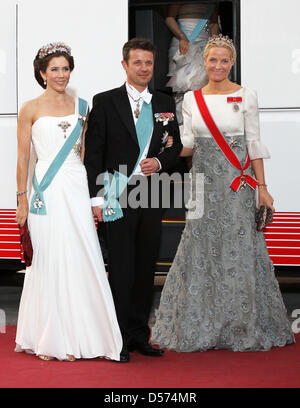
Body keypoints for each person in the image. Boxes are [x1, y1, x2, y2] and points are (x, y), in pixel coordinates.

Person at [151, 35, 295, 352]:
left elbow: (254, 145)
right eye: (213, 59)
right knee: (201, 250)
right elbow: (187, 146)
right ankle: (203, 324)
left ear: (232, 63)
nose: (218, 65)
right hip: (204, 186)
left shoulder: (246, 96)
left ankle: (243, 324)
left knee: (241, 249)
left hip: (238, 186)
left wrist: (263, 188)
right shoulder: (191, 100)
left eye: (224, 60)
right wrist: (155, 151)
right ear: (205, 61)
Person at [15, 42, 122, 362]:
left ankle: (88, 335)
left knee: (83, 255)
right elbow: (23, 158)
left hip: (75, 186)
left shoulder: (83, 105)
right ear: (42, 73)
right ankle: (49, 337)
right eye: (54, 69)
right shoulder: (30, 108)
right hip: (45, 191)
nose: (61, 74)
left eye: (66, 68)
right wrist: (21, 198)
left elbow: (86, 154)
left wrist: (92, 196)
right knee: (48, 258)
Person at [84, 38, 182, 362]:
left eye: (149, 63)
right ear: (125, 65)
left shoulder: (165, 101)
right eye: (137, 62)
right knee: (122, 270)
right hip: (116, 196)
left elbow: (174, 147)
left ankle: (141, 336)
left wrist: (161, 162)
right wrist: (96, 201)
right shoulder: (106, 101)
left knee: (145, 269)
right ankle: (119, 339)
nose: (144, 68)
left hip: (151, 195)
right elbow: (94, 155)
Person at [165, 2, 219, 126]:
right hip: (183, 44)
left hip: (204, 46)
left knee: (205, 88)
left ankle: (202, 127)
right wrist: (182, 37)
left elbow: (213, 22)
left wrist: (216, 45)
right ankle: (182, 128)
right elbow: (169, 18)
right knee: (183, 88)